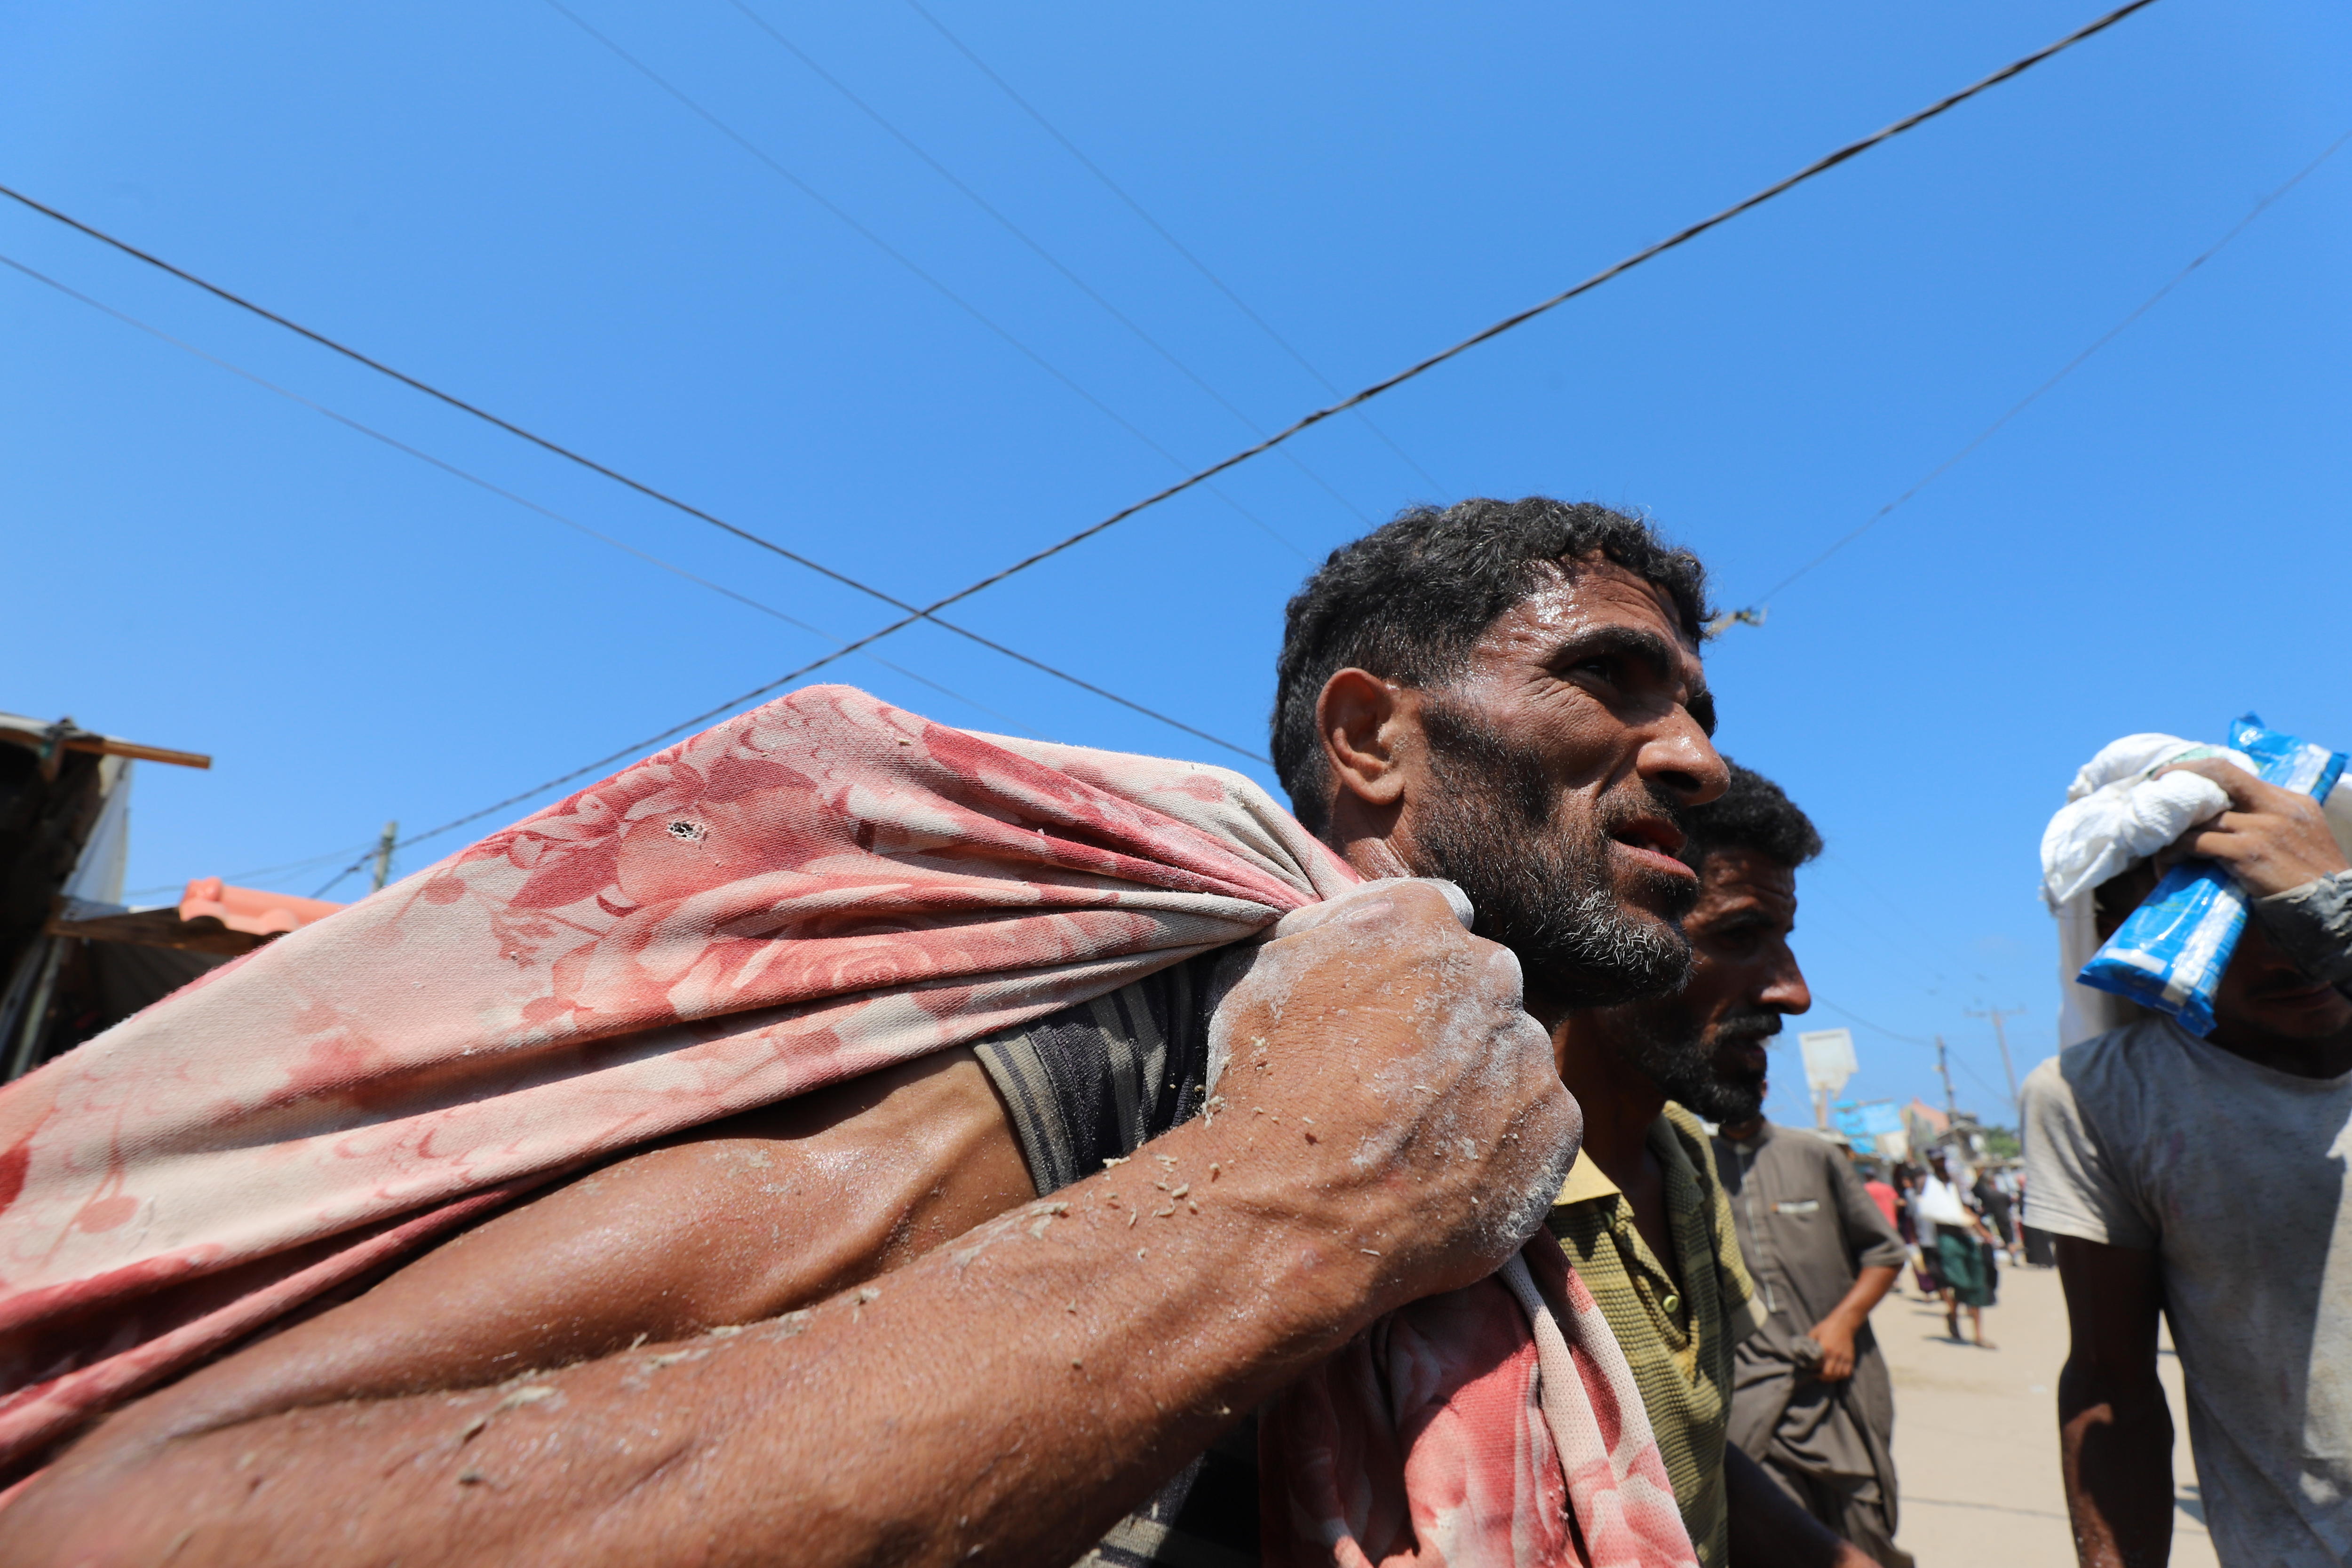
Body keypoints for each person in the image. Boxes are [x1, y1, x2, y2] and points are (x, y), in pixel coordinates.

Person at [0, 498, 1735, 1568]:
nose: (1698, 762)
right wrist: (1295, 1212)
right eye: (1611, 678)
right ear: (1369, 742)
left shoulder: (1476, 1093)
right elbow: (138, 1528)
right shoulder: (1160, 1020)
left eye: (1703, 708)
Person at [2023, 738, 2352, 1567]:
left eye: (2297, 893)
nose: (2286, 947)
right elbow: (2111, 1384)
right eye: (2222, 914)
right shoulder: (2100, 1098)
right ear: (2123, 928)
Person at [1549, 764, 1880, 1567]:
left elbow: (1692, 1449)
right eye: (1738, 935)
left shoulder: (1687, 1157)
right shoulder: (1492, 1197)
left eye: (1783, 941)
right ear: (1605, 937)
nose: (1794, 992)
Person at [1913, 1149, 1997, 1345]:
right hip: (1946, 1239)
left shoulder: (1954, 1183)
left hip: (1965, 1236)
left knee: (1977, 1282)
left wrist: (1982, 1231)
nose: (1940, 1163)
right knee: (1960, 1283)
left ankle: (1978, 1335)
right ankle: (1953, 1315)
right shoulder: (1927, 1183)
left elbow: (1964, 1208)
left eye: (1942, 1159)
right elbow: (1927, 1208)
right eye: (1937, 1160)